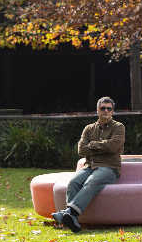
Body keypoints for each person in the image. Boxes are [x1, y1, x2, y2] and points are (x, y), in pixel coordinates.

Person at [52, 96, 125, 233]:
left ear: (112, 111)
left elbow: (113, 147)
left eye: (109, 108)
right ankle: (72, 217)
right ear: (98, 110)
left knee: (91, 182)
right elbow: (81, 150)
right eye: (103, 108)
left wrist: (92, 145)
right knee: (73, 182)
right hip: (89, 166)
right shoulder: (89, 129)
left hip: (109, 168)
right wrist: (102, 147)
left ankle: (68, 213)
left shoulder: (119, 127)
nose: (106, 111)